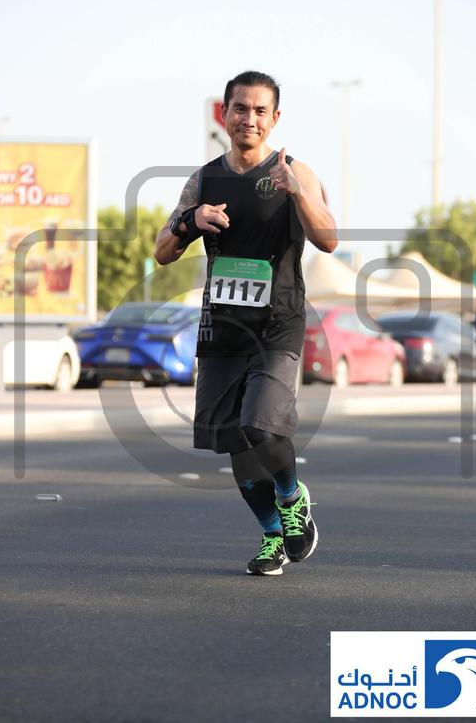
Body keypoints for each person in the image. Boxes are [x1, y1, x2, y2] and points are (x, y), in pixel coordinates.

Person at [154, 71, 337, 576]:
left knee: (261, 424)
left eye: (260, 111)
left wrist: (298, 194)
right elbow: (162, 251)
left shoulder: (297, 172)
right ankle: (271, 534)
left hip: (278, 322)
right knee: (235, 439)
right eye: (240, 108)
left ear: (274, 118)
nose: (249, 119)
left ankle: (292, 497)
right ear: (225, 114)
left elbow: (329, 240)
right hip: (223, 326)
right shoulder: (204, 180)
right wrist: (190, 221)